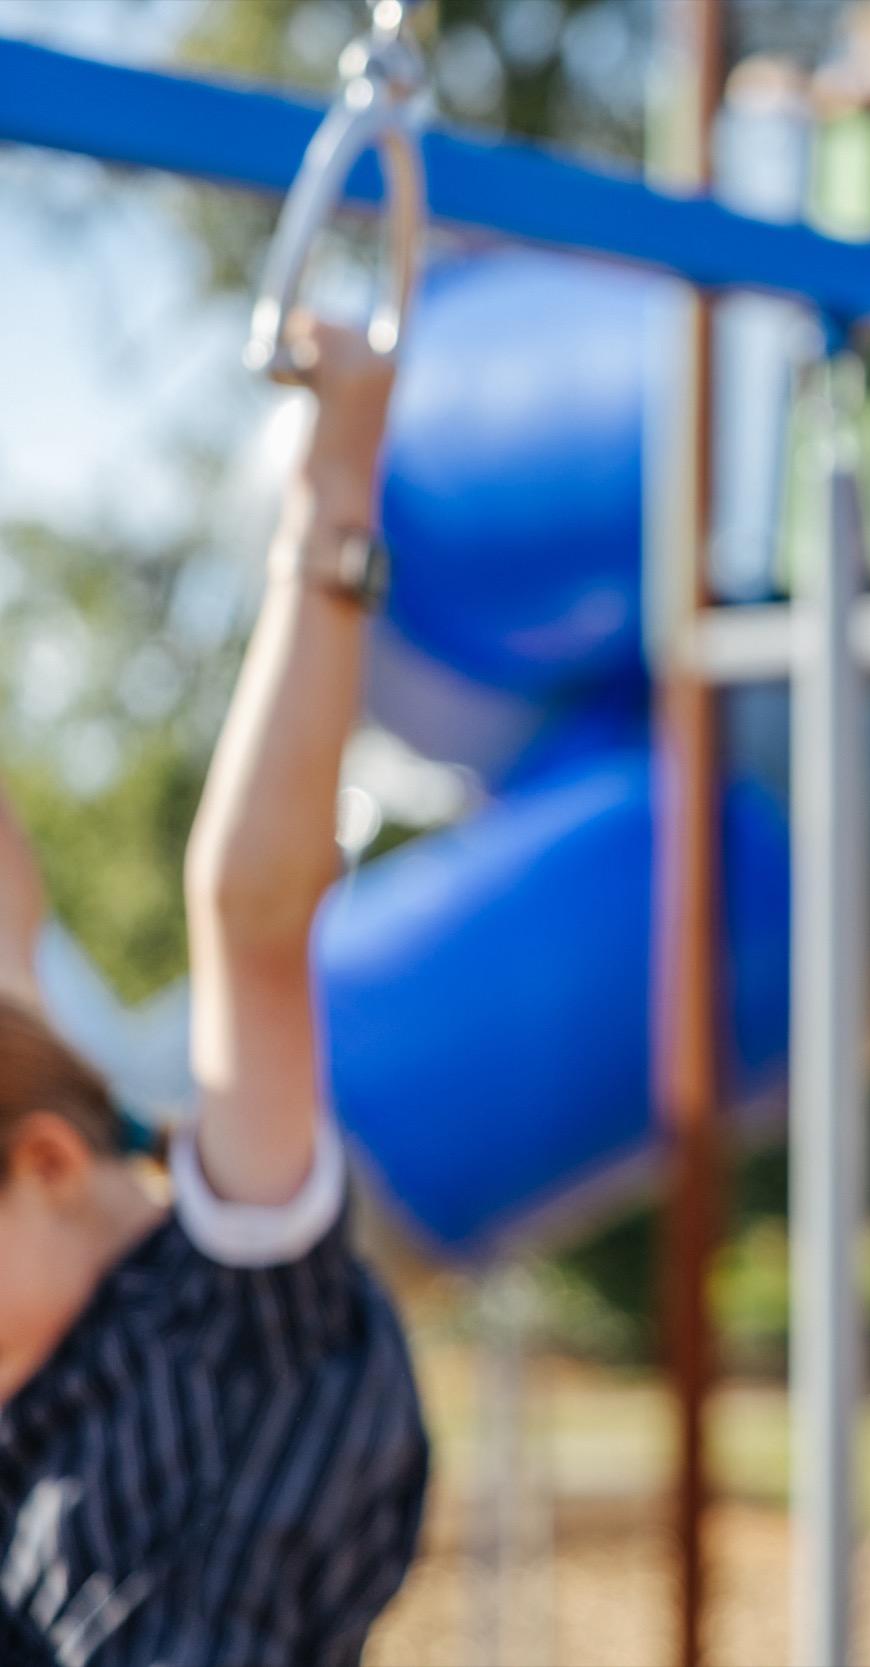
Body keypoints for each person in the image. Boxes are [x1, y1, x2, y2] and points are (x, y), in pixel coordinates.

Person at [0, 316, 428, 1666]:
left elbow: (252, 906)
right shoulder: (33, 1388)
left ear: (52, 1160)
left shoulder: (231, 1295)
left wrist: (336, 482)